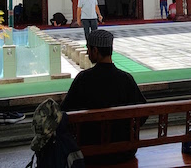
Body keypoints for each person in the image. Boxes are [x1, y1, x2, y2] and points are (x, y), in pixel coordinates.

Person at [60, 29, 147, 165]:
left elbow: (65, 112)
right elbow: (143, 112)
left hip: (90, 152)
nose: (88, 52)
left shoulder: (84, 79)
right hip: (124, 152)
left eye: (88, 49)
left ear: (95, 51)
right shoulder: (126, 79)